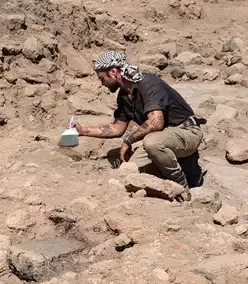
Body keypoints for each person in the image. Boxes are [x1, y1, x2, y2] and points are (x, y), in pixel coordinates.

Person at [72, 51, 205, 192]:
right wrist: (84, 131)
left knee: (152, 143)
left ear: (113, 72)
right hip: (163, 137)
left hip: (186, 132)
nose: (101, 83)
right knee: (130, 170)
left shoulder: (148, 83)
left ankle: (181, 187)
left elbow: (156, 121)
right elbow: (117, 128)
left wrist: (129, 140)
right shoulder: (123, 95)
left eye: (102, 78)